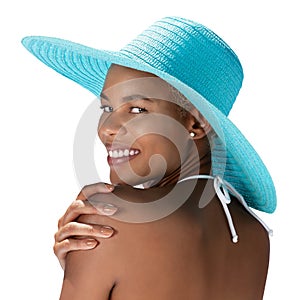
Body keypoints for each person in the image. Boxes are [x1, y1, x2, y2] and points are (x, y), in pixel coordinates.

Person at [22, 16, 276, 299]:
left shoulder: (109, 217)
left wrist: (82, 270)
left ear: (195, 123)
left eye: (137, 110)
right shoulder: (254, 235)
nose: (107, 129)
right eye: (106, 108)